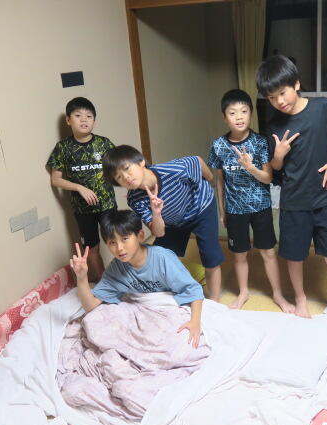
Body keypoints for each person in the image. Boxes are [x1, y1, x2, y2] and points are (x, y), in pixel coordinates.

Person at [256, 55, 327, 318]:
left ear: (297, 84)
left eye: (282, 92)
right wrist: (279, 154)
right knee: (294, 256)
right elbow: (275, 168)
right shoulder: (274, 125)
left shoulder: (323, 108)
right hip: (293, 201)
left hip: (324, 196)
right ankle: (300, 298)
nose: (279, 101)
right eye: (271, 98)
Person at [207, 89, 294, 313]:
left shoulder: (260, 142)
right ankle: (243, 292)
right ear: (224, 117)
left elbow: (268, 178)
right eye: (232, 112)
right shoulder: (218, 145)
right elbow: (219, 180)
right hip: (235, 210)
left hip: (261, 206)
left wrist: (250, 167)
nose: (239, 117)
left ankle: (278, 294)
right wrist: (222, 210)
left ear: (251, 114)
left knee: (268, 252)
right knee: (239, 254)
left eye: (244, 111)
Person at [102, 145, 224, 301]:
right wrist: (156, 212)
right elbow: (159, 232)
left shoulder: (174, 170)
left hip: (201, 207)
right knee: (159, 257)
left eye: (127, 168)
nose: (126, 177)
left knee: (210, 256)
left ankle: (214, 301)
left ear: (141, 162)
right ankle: (173, 292)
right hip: (172, 222)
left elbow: (197, 161)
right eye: (119, 177)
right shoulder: (135, 199)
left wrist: (211, 180)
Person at [69, 209, 205, 347]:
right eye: (112, 242)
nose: (119, 248)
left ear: (140, 236)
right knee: (92, 322)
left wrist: (195, 322)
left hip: (169, 307)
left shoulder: (162, 258)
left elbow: (193, 289)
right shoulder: (116, 268)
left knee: (182, 341)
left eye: (124, 239)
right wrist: (82, 277)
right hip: (143, 313)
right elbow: (90, 306)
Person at [47, 97, 116, 283]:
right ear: (68, 120)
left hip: (107, 205)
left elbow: (119, 166)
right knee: (91, 247)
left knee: (117, 240)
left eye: (89, 116)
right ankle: (104, 283)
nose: (84, 119)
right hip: (82, 209)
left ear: (94, 121)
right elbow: (56, 179)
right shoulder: (63, 148)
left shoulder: (104, 144)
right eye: (78, 115)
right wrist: (78, 187)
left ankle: (123, 278)